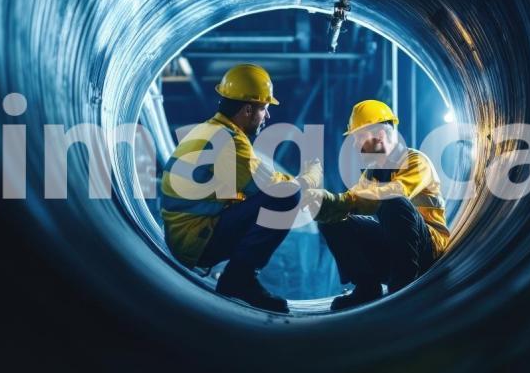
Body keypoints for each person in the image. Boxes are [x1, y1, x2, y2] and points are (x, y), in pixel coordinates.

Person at [160, 64, 321, 313]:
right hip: (197, 240)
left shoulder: (212, 131)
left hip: (186, 236)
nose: (267, 117)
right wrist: (308, 180)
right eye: (264, 109)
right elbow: (271, 188)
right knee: (288, 196)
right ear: (248, 109)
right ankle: (240, 278)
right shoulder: (229, 141)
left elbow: (261, 176)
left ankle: (238, 276)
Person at [308, 100, 450, 311]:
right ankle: (367, 287)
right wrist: (327, 205)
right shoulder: (373, 172)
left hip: (427, 252)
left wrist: (346, 201)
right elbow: (353, 199)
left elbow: (394, 193)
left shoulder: (416, 162)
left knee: (394, 201)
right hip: (395, 249)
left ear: (380, 135)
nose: (356, 145)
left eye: (359, 137)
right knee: (332, 219)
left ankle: (403, 288)